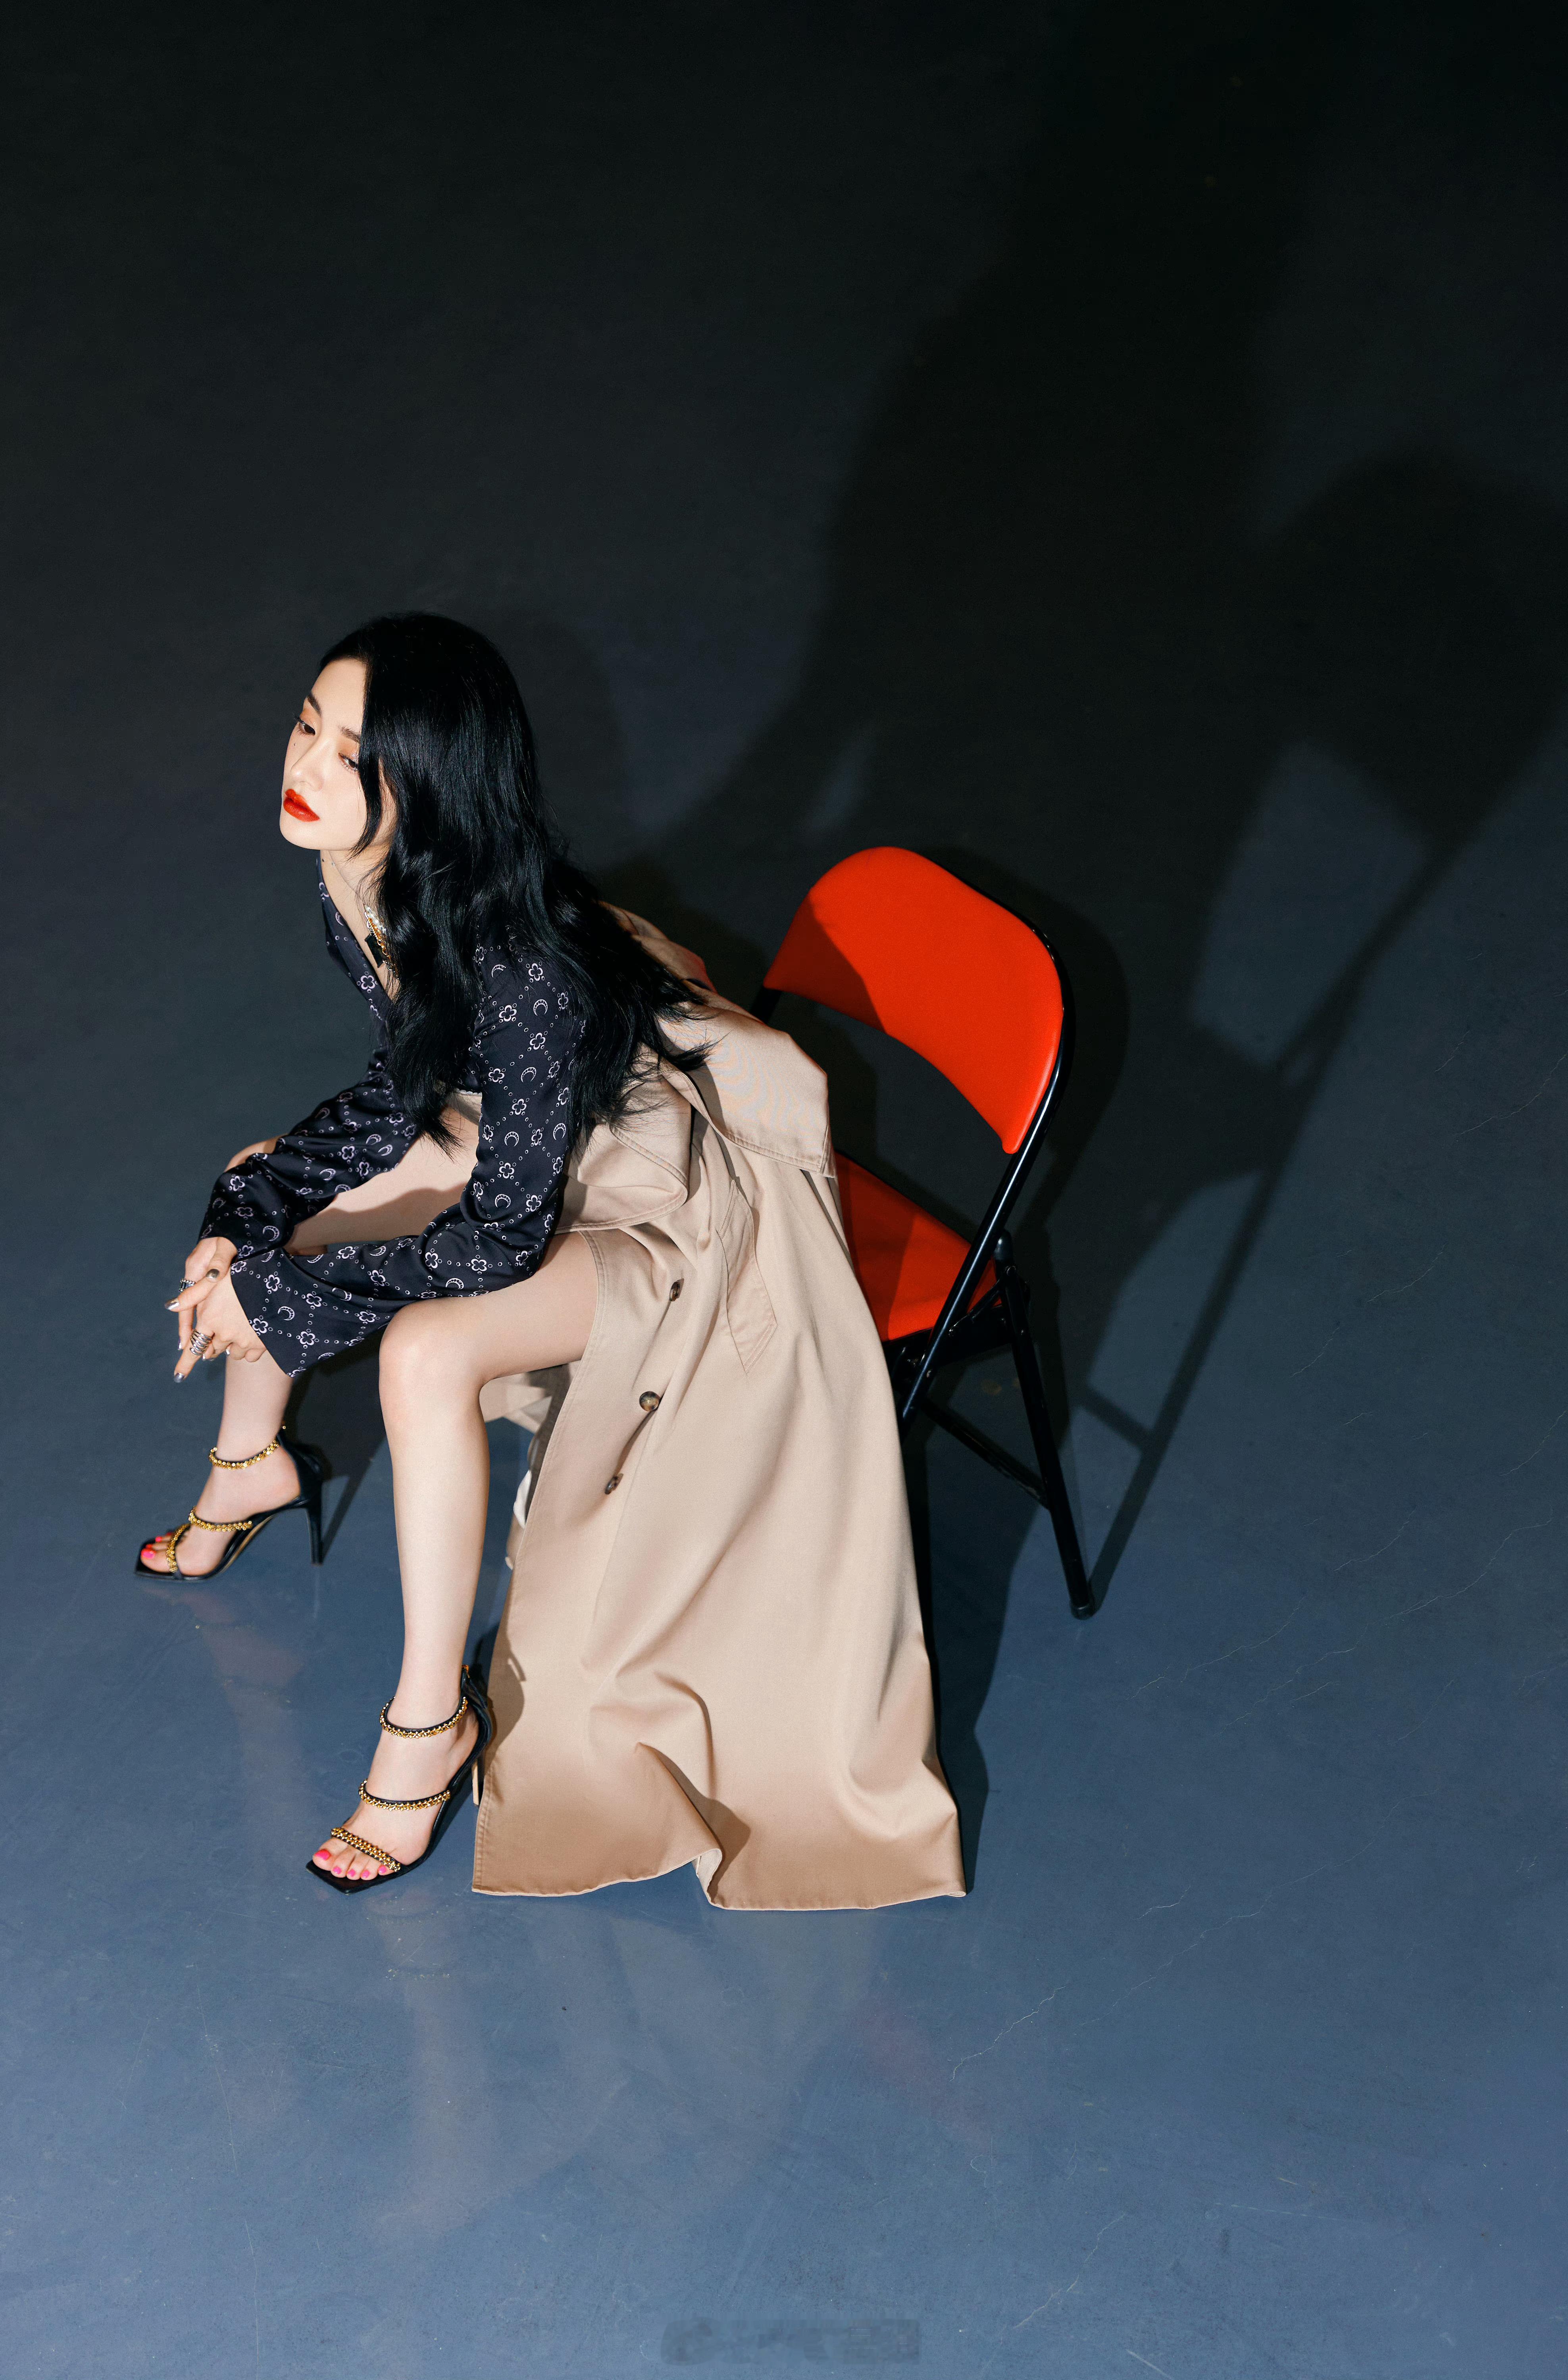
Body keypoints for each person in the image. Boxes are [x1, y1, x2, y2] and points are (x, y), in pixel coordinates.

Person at [142, 614, 963, 1912]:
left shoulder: (519, 965)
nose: (306, 766)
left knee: (426, 1355)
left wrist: (285, 1299)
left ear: (433, 787)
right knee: (265, 1181)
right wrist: (247, 1213)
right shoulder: (369, 870)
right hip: (541, 1148)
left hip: (676, 1215)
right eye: (309, 723)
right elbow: (406, 1087)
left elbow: (501, 1238)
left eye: (355, 754)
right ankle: (250, 1469)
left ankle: (428, 1728)